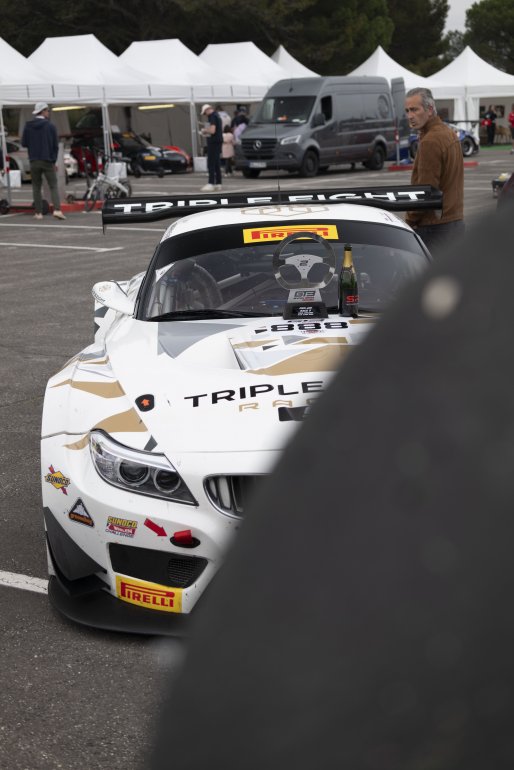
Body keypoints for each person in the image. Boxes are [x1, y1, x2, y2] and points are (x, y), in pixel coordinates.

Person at [404, 87, 464, 255]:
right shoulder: (449, 133)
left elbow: (425, 192)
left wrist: (408, 222)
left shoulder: (431, 140)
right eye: (407, 110)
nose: (410, 116)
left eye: (415, 109)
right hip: (455, 223)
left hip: (434, 228)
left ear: (429, 109)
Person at [21, 102, 66, 220]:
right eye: (47, 110)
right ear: (43, 111)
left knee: (36, 186)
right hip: (47, 160)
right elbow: (55, 146)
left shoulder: (28, 125)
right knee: (53, 185)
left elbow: (24, 143)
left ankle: (38, 213)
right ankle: (57, 210)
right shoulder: (50, 126)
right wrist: (54, 161)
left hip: (34, 160)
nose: (49, 112)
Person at [199, 104, 222, 192]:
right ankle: (218, 183)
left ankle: (211, 183)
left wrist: (204, 130)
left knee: (211, 162)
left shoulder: (212, 116)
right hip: (218, 141)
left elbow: (212, 130)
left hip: (213, 142)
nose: (205, 115)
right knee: (216, 163)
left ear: (207, 110)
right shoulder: (217, 116)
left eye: (205, 113)